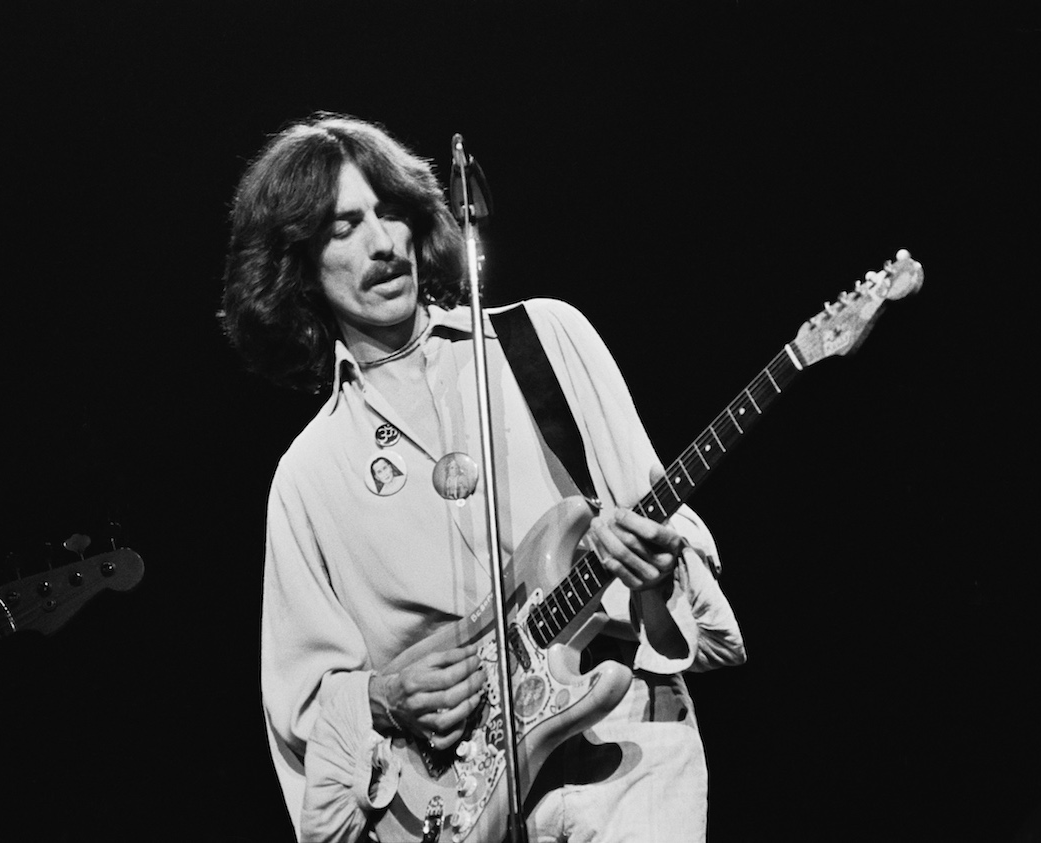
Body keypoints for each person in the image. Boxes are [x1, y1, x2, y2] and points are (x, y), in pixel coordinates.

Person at [219, 113, 746, 843]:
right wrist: (383, 694)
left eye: (391, 212)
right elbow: (302, 703)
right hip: (461, 801)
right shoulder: (308, 476)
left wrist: (654, 571)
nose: (382, 242)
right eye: (343, 227)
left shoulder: (543, 338)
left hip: (626, 742)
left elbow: (670, 558)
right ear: (297, 267)